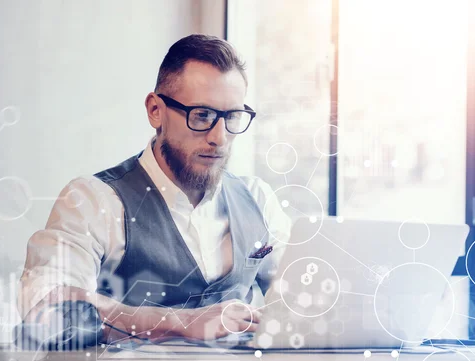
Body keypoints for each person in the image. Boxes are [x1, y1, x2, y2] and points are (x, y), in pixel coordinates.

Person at [17, 34, 291, 343]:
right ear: (155, 110)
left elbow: (302, 303)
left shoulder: (258, 199)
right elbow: (46, 307)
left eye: (232, 117)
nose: (220, 137)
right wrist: (180, 321)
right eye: (202, 115)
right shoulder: (94, 200)